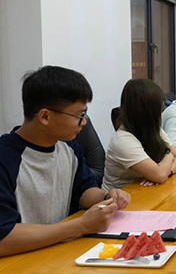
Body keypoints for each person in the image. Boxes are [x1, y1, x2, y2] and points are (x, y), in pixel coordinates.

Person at [0, 66, 130, 257]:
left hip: (58, 253)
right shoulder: (5, 158)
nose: (84, 122)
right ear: (45, 116)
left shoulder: (68, 147)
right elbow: (3, 239)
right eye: (79, 115)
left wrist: (106, 197)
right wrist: (81, 226)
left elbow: (83, 191)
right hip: (19, 264)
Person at [103, 79, 176, 190]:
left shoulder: (154, 129)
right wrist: (169, 156)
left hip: (148, 190)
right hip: (123, 196)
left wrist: (167, 172)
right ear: (147, 110)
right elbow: (159, 175)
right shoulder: (122, 140)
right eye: (159, 109)